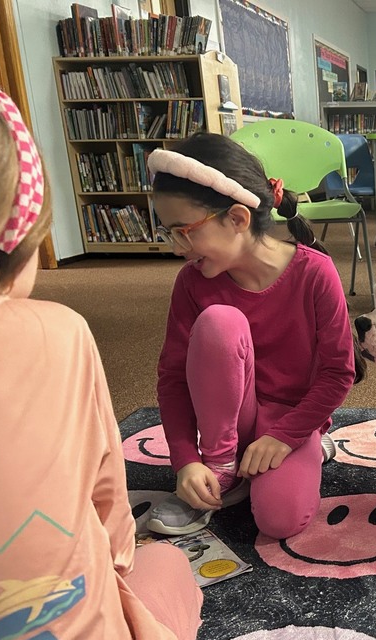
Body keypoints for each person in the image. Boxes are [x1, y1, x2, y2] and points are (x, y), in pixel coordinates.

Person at [0, 76, 202, 640]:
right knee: (169, 568)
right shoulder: (59, 334)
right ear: (16, 230)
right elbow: (112, 526)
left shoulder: (302, 275)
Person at [146, 132, 361, 539]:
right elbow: (173, 377)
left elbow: (337, 373)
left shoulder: (314, 273)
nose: (176, 247)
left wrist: (287, 436)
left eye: (184, 231)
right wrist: (185, 461)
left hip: (288, 420)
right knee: (219, 324)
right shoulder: (192, 283)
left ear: (238, 219)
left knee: (280, 521)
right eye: (168, 233)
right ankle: (222, 468)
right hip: (222, 429)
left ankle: (309, 445)